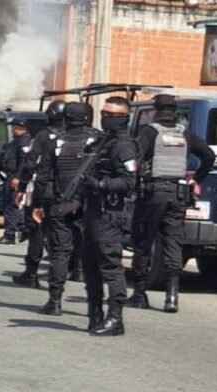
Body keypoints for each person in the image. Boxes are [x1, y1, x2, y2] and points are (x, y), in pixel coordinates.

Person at [127, 94, 215, 313]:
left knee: (143, 242)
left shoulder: (149, 132)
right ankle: (172, 296)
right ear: (174, 111)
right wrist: (196, 180)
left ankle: (139, 294)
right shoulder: (185, 134)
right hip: (177, 194)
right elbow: (209, 156)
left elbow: (134, 158)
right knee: (173, 243)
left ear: (156, 110)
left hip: (153, 193)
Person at [34, 102, 100, 316]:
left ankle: (54, 301)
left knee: (60, 254)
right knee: (93, 254)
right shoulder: (98, 140)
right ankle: (94, 306)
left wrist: (36, 204)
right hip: (91, 206)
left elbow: (43, 176)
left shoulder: (55, 142)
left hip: (62, 204)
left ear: (64, 118)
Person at [81, 96, 138, 336]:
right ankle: (95, 313)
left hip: (110, 213)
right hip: (94, 212)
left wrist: (100, 185)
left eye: (109, 115)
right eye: (103, 113)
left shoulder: (124, 146)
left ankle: (116, 318)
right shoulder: (105, 141)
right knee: (90, 265)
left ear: (122, 119)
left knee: (111, 266)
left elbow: (129, 181)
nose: (104, 118)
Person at [12, 101, 65, 288]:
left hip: (45, 190)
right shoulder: (76, 137)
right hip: (68, 193)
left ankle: (31, 274)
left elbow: (29, 164)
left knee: (37, 231)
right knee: (62, 234)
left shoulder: (43, 136)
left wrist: (21, 188)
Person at [0, 117, 31, 245]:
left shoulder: (24, 140)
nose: (12, 130)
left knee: (11, 206)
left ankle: (9, 235)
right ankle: (24, 229)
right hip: (10, 175)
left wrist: (18, 177)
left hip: (15, 176)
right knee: (10, 205)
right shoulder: (17, 141)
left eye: (14, 127)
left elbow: (24, 161)